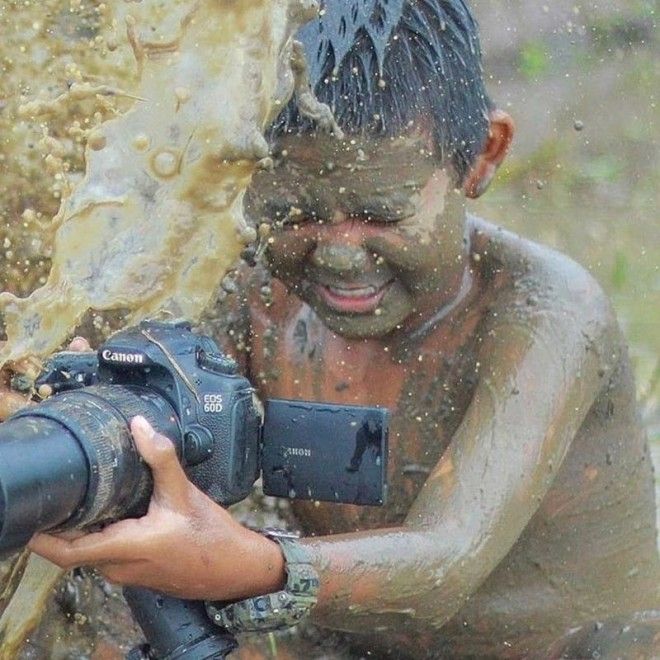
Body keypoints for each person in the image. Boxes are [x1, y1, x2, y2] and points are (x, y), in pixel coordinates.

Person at [3, 0, 659, 657]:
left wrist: (252, 563)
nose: (341, 251)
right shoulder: (255, 292)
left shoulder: (544, 312)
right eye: (295, 213)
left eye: (381, 213)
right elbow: (149, 418)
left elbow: (447, 561)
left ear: (482, 157)